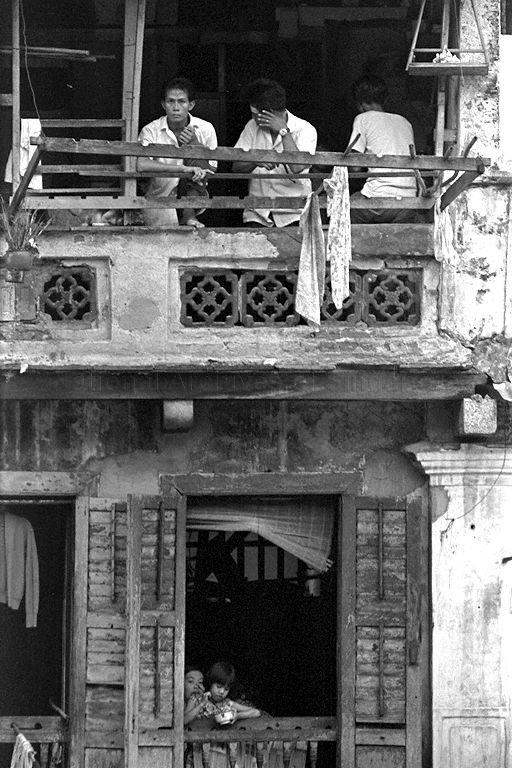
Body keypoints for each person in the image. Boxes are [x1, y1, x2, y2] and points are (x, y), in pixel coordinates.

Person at [233, 79, 317, 227]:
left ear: (268, 113)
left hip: (294, 213)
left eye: (254, 113)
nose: (252, 117)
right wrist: (254, 160)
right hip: (258, 214)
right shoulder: (252, 127)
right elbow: (236, 166)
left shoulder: (305, 129)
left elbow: (297, 168)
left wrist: (284, 132)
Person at [137, 77, 218, 228]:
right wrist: (181, 169)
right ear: (163, 104)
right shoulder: (151, 130)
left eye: (181, 101)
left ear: (191, 104)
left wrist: (194, 145)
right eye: (170, 101)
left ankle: (189, 214)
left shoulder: (205, 129)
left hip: (194, 198)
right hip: (159, 199)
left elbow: (212, 168)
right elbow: (141, 164)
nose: (176, 107)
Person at [347, 75, 419, 223]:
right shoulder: (404, 122)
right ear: (384, 100)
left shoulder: (363, 118)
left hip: (379, 197)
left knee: (345, 207)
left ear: (360, 104)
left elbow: (354, 167)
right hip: (408, 202)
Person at [185, 661, 261, 724]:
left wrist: (236, 716)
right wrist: (201, 704)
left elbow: (256, 712)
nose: (222, 692)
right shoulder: (196, 699)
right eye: (218, 687)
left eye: (226, 689)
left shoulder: (228, 704)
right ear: (211, 683)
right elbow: (183, 720)